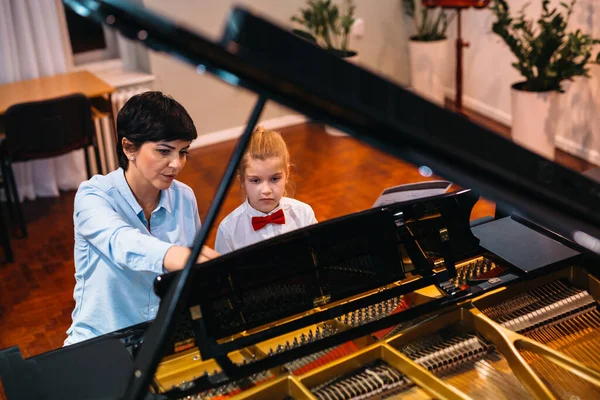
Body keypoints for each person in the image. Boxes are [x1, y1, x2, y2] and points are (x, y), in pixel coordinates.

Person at [64, 91, 219, 346]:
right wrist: (172, 255)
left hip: (161, 342)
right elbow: (120, 241)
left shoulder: (184, 198)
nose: (176, 164)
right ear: (129, 148)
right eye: (164, 151)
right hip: (99, 344)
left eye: (183, 152)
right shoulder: (93, 196)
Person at [215, 126, 317, 254]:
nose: (266, 190)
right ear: (242, 179)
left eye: (274, 179)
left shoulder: (303, 214)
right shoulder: (228, 230)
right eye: (256, 180)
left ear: (287, 173)